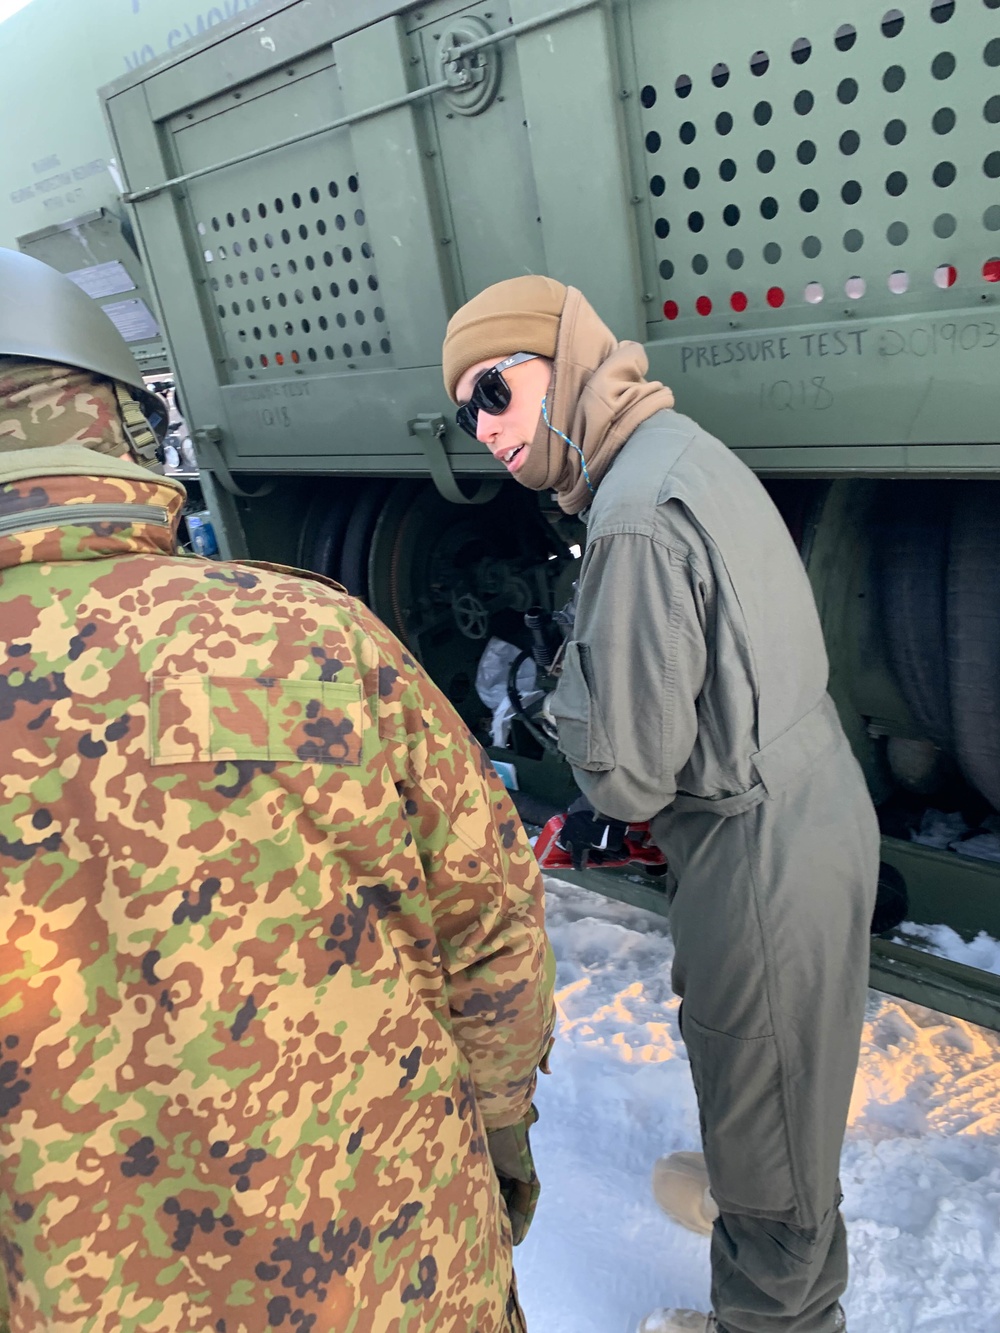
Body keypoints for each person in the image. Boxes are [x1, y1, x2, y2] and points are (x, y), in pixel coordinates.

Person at [0, 249, 554, 1333]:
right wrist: (496, 1129)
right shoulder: (313, 635)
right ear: (120, 427)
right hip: (401, 1266)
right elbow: (489, 919)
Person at [442, 276, 878, 1333]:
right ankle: (754, 1191)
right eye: (465, 411)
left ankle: (773, 1304)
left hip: (755, 848)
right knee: (777, 1074)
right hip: (801, 805)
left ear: (563, 354)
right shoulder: (668, 446)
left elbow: (629, 774)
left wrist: (556, 693)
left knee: (768, 1096)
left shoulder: (631, 518)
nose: (484, 428)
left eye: (495, 390)